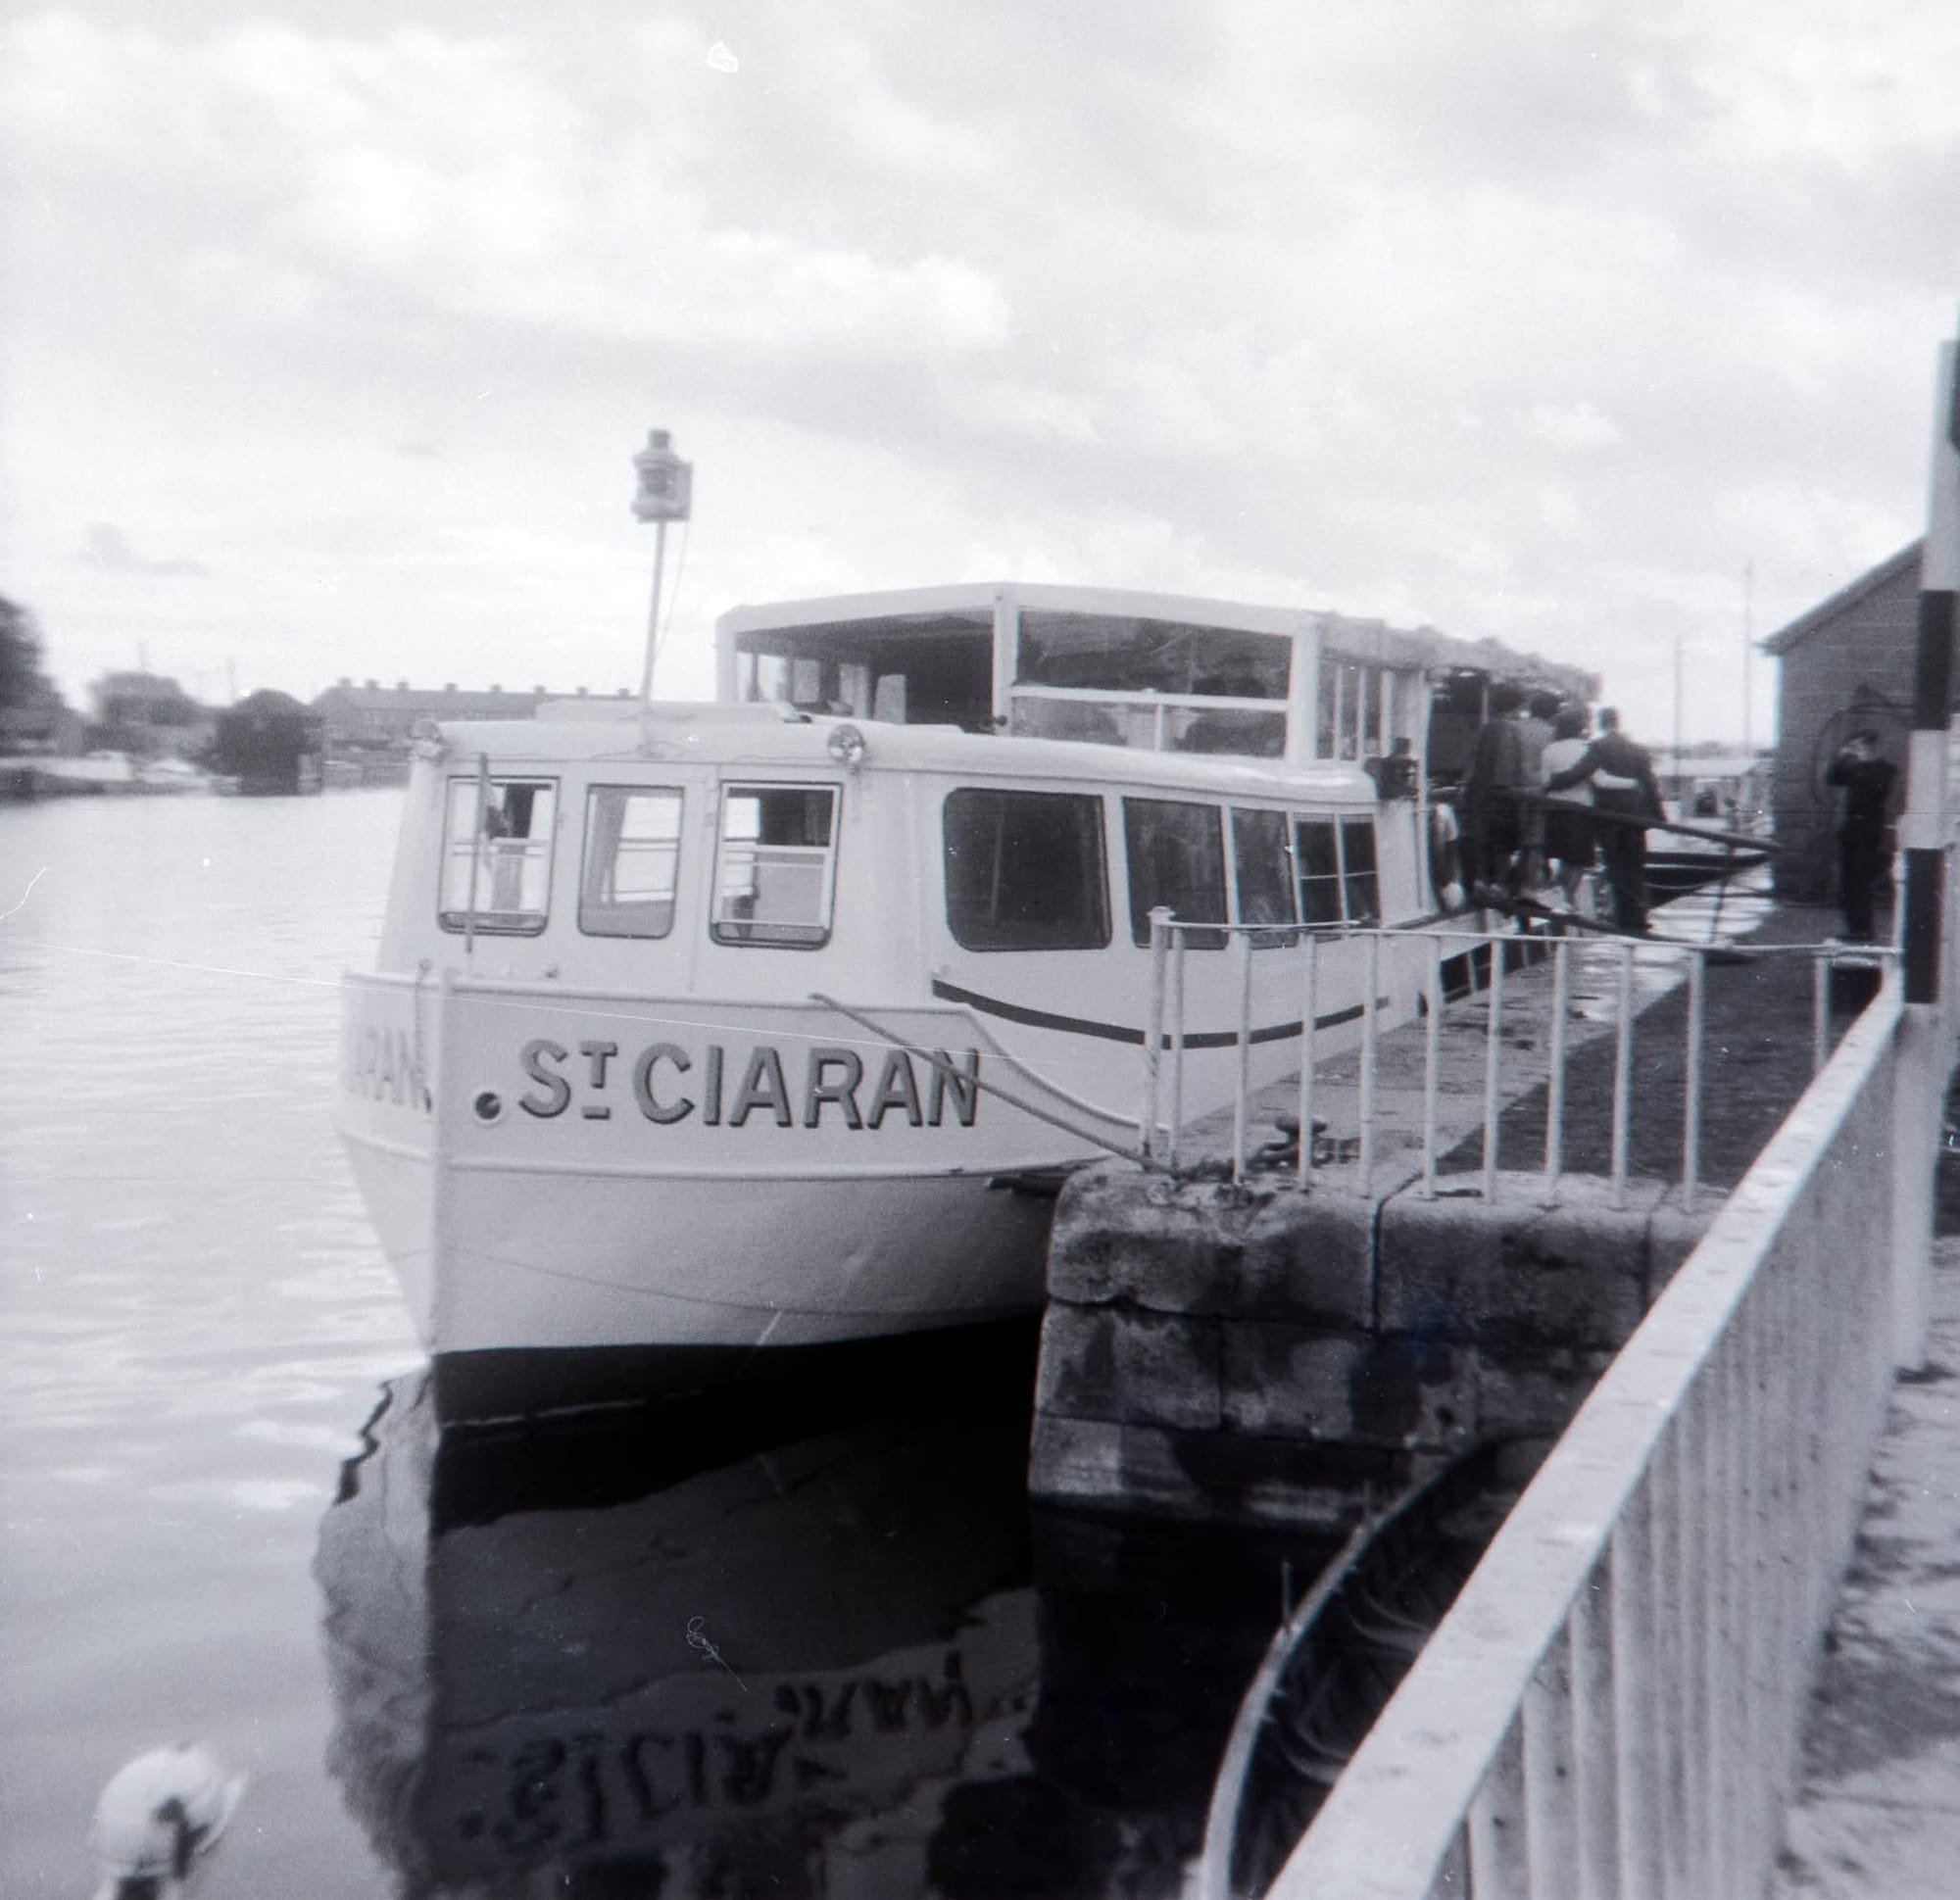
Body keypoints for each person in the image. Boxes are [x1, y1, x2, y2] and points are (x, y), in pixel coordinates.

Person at [1545, 706, 1663, 934]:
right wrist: (1658, 816)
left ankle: (1621, 919)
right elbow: (1650, 783)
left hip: (1608, 815)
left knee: (1615, 866)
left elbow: (1579, 773)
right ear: (1618, 722)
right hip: (1635, 815)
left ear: (1601, 723)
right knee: (1635, 866)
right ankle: (1638, 919)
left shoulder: (1597, 747)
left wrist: (1551, 784)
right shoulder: (1638, 749)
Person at [1823, 729, 1897, 943]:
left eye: (1862, 746)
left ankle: (1864, 929)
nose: (1858, 751)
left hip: (1869, 831)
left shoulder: (1884, 769)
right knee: (1848, 881)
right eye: (1856, 747)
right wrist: (1841, 755)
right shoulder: (1853, 769)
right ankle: (1854, 927)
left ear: (1872, 746)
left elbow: (1877, 790)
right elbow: (1832, 778)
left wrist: (1863, 760)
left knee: (1860, 881)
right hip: (1850, 830)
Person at [1460, 683, 1532, 900]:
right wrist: (1512, 790)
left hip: (1481, 795)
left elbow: (1471, 763)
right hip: (1500, 797)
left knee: (1485, 843)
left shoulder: (1486, 727)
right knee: (1502, 845)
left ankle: (1482, 883)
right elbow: (1506, 765)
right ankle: (1497, 886)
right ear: (1515, 706)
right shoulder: (1508, 729)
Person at [1538, 704, 1596, 911]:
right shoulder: (1587, 749)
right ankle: (1568, 898)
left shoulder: (1549, 750)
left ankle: (1563, 896)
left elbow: (1543, 781)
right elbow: (1596, 780)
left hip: (1554, 808)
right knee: (1579, 859)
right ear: (1580, 728)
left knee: (1562, 856)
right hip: (1580, 808)